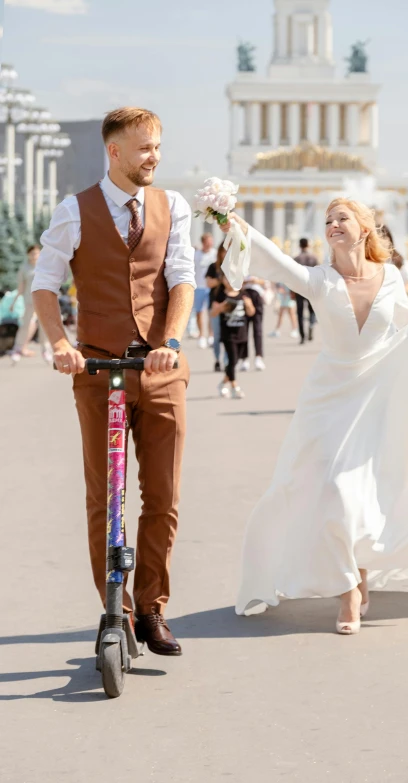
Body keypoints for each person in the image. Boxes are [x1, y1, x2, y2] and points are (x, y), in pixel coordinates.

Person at [222, 199, 408, 635]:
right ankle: (350, 586)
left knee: (360, 490)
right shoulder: (320, 279)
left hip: (377, 394)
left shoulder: (392, 277)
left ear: (364, 228)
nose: (332, 225)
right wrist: (235, 225)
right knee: (331, 487)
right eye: (327, 220)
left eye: (341, 218)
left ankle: (353, 585)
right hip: (329, 398)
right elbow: (279, 263)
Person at [32, 107, 196, 656]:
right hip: (98, 371)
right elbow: (44, 285)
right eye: (144, 147)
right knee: (105, 498)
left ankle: (151, 608)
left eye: (158, 147)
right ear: (115, 152)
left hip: (160, 372)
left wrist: (168, 345)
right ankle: (116, 611)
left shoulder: (173, 206)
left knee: (163, 498)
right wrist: (60, 343)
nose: (154, 157)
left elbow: (181, 281)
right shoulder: (74, 211)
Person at [210, 261, 255, 399]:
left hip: (242, 332)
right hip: (228, 333)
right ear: (222, 280)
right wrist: (221, 307)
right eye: (226, 278)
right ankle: (235, 387)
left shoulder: (243, 294)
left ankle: (223, 383)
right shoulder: (220, 295)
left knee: (236, 361)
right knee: (232, 359)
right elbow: (213, 313)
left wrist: (248, 305)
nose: (228, 281)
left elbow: (251, 312)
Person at [10, 244, 52, 363]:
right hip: (29, 300)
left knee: (44, 325)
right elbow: (21, 287)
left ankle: (45, 349)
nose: (34, 255)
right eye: (32, 253)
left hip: (43, 300)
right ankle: (18, 348)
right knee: (26, 324)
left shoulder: (44, 266)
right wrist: (13, 302)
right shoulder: (24, 268)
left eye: (37, 253)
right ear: (28, 254)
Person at [206, 242, 228, 372]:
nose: (225, 254)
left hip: (228, 305)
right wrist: (221, 279)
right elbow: (209, 283)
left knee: (227, 336)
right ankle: (217, 359)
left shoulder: (232, 267)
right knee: (217, 335)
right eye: (223, 251)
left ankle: (226, 360)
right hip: (215, 304)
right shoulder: (213, 267)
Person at [192, 233, 217, 348]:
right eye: (208, 241)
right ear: (203, 242)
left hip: (211, 287)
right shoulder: (196, 255)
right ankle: (202, 335)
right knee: (199, 312)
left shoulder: (215, 254)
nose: (210, 243)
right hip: (199, 287)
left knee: (210, 312)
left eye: (211, 241)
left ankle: (211, 335)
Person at [237, 275, 266, 371]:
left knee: (257, 330)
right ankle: (244, 358)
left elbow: (265, 281)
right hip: (244, 295)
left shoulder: (259, 265)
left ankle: (258, 357)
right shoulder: (241, 265)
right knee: (243, 330)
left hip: (257, 296)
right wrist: (245, 282)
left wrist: (255, 281)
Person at [379, 225, 408, 295]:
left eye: (383, 238)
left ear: (389, 240)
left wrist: (398, 294)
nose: (381, 242)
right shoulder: (369, 262)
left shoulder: (398, 260)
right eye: (377, 239)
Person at [294, 238, 318, 344]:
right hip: (311, 287)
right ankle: (311, 324)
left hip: (299, 288)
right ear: (308, 245)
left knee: (299, 313)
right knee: (312, 310)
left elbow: (292, 275)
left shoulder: (296, 258)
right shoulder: (314, 258)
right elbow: (318, 274)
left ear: (299, 246)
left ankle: (302, 336)